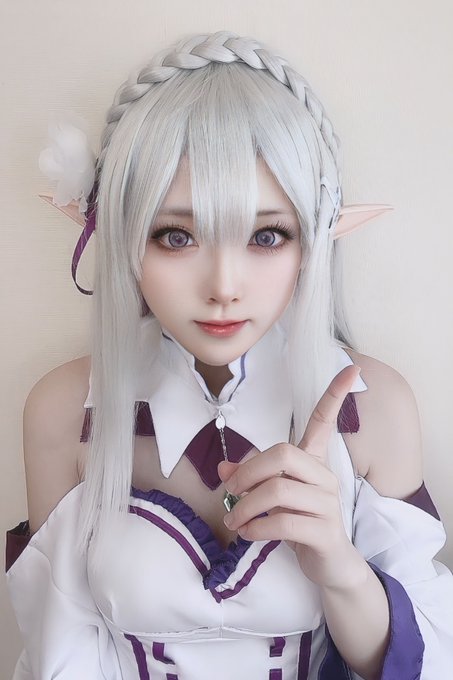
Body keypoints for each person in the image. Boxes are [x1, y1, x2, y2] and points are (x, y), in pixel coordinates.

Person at [6, 30, 453, 680]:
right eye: (175, 235)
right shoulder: (64, 411)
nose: (223, 286)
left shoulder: (372, 407)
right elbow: (59, 652)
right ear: (122, 236)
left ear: (314, 240)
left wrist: (341, 569)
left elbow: (428, 661)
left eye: (266, 236)